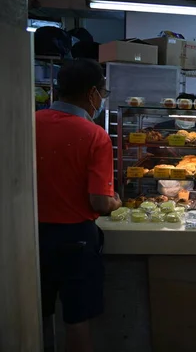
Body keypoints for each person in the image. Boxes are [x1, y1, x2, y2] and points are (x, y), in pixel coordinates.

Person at [36, 59, 122, 352]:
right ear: (91, 94)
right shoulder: (94, 135)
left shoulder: (28, 122)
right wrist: (116, 201)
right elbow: (99, 200)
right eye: (102, 92)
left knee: (37, 313)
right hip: (75, 238)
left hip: (28, 235)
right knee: (77, 319)